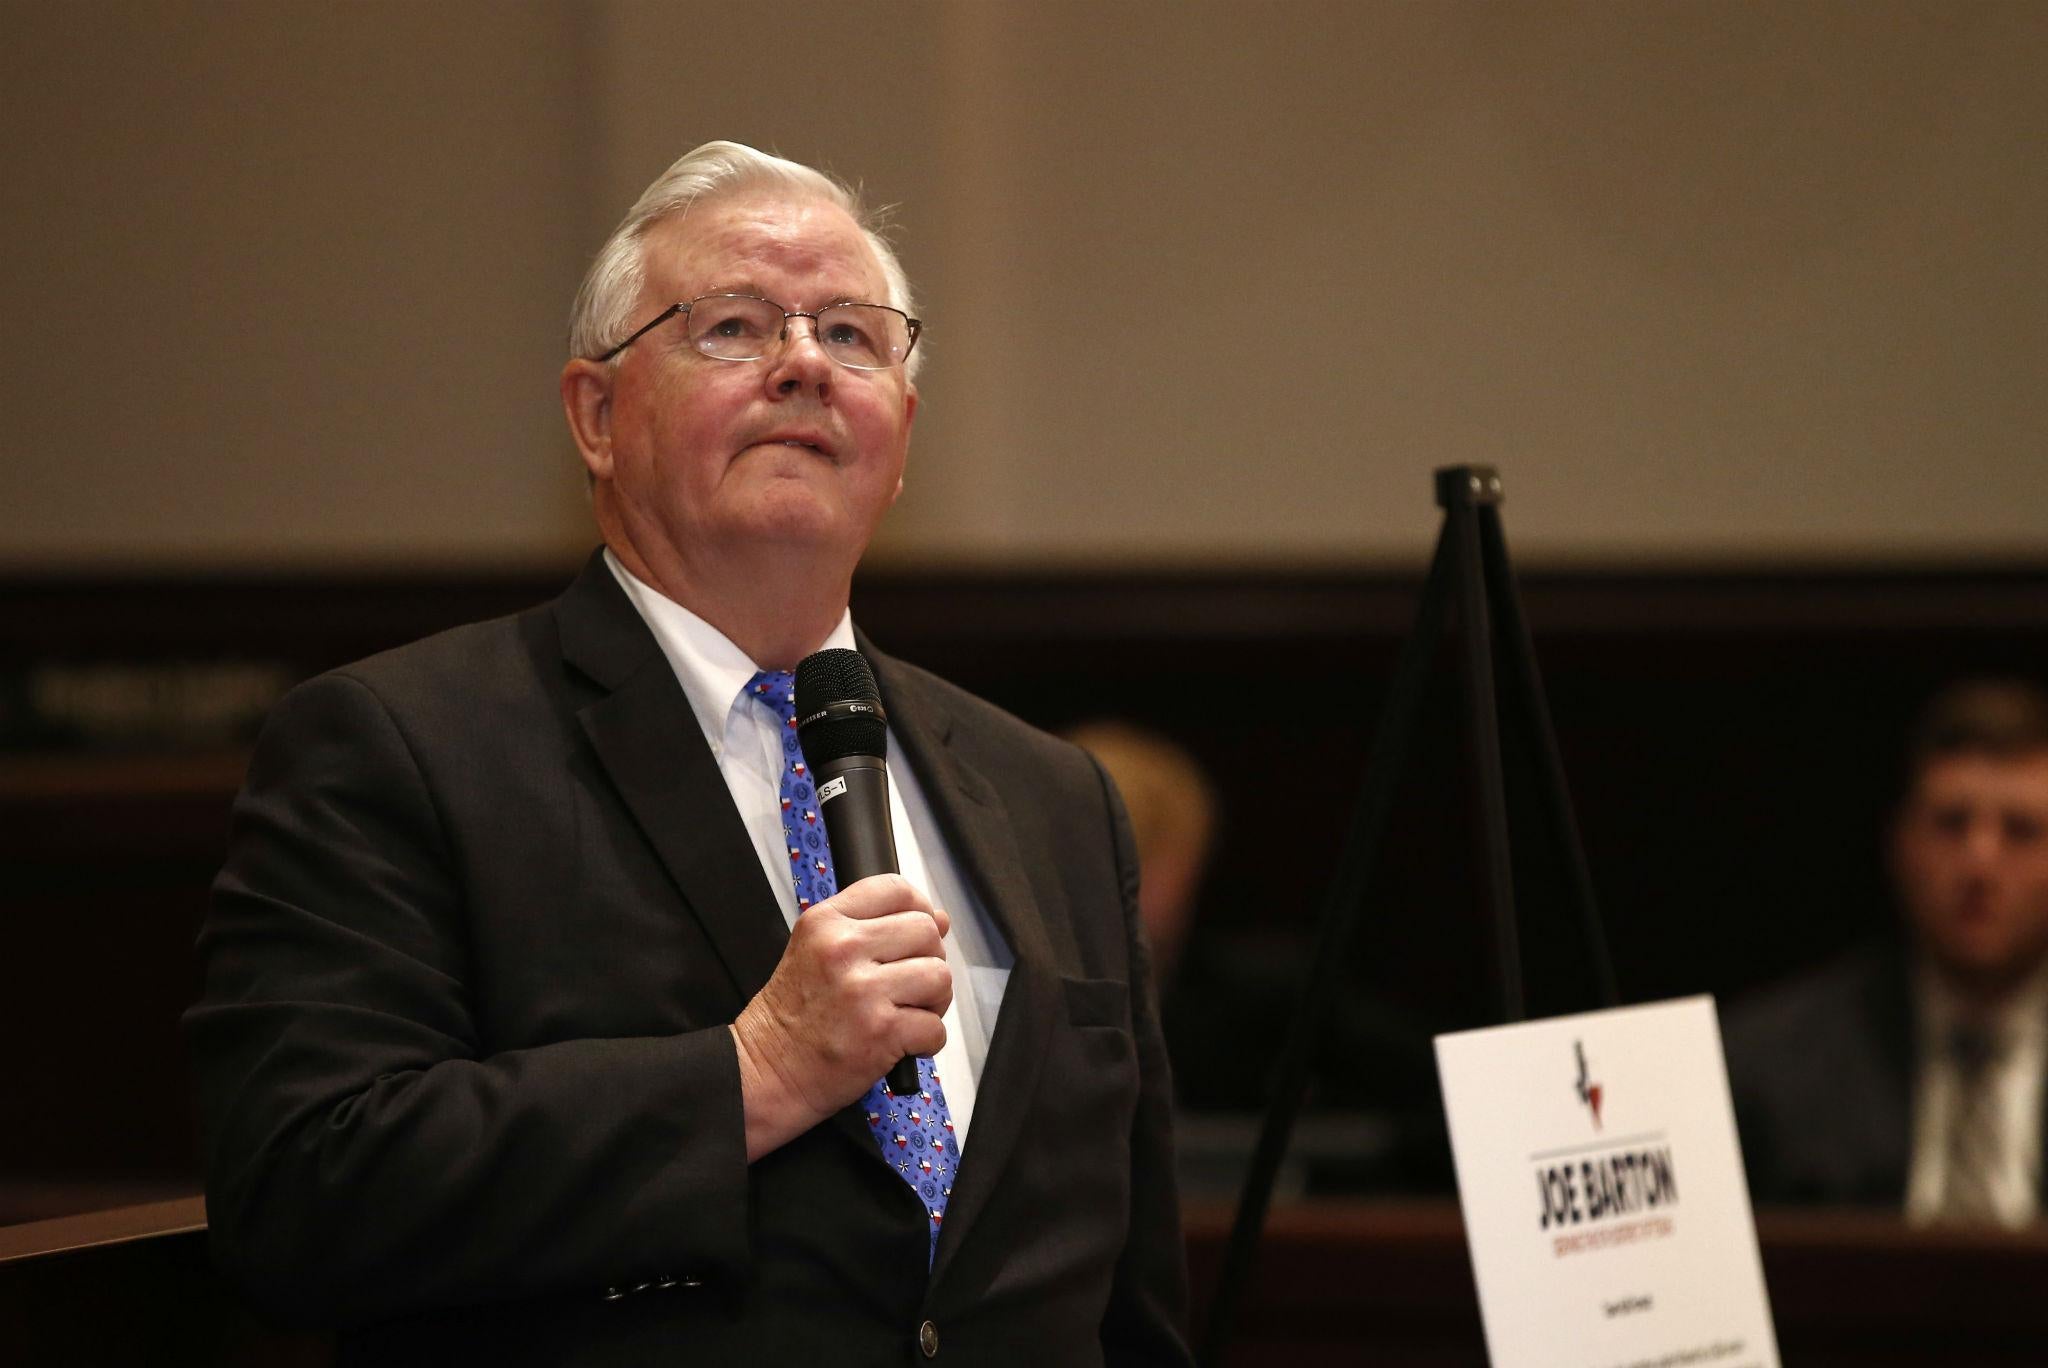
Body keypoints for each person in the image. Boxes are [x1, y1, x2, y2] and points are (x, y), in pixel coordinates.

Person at [185, 141, 1193, 1364]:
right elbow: (302, 1195)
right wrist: (751, 1072)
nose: (805, 365)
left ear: (902, 432)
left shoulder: (1051, 796)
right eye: (731, 327)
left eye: (853, 335)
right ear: (597, 416)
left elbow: (1128, 1296)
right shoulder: (399, 746)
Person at [1724, 678, 2048, 1225]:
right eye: (1951, 824)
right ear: (1900, 846)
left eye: (2021, 831)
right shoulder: (1767, 1072)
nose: (1980, 864)